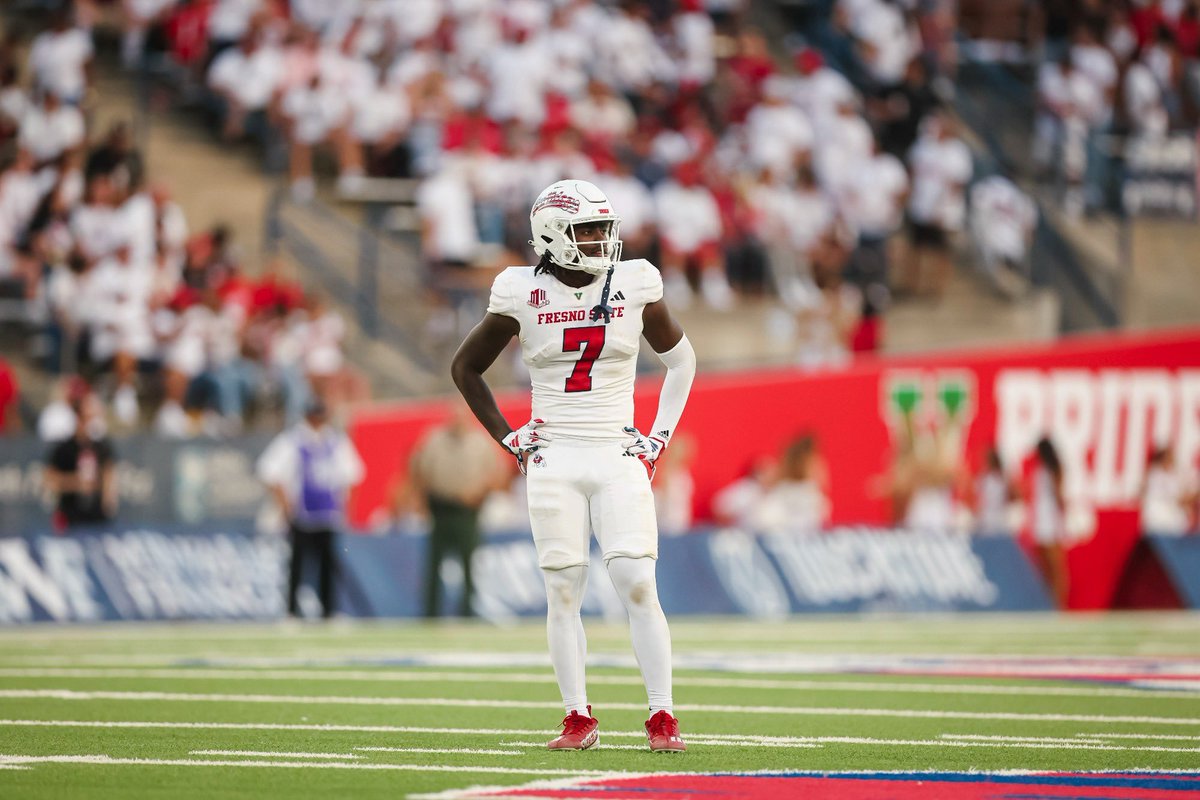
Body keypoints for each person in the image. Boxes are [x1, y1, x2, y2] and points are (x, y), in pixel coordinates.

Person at [450, 179, 697, 753]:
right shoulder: (519, 290)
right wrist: (510, 439)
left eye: (604, 229)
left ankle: (662, 716)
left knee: (637, 581)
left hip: (615, 452)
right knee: (563, 591)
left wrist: (658, 438)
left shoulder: (635, 281)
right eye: (588, 231)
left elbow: (682, 363)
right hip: (554, 456)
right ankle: (577, 716)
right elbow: (466, 368)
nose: (601, 241)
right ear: (552, 235)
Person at [257, 399, 364, 619]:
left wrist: (345, 507)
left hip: (327, 514)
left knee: (328, 565)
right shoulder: (293, 440)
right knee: (297, 565)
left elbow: (353, 475)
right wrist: (285, 504)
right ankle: (291, 612)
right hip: (302, 514)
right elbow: (269, 472)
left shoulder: (335, 441)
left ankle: (328, 611)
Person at [409, 399, 506, 617]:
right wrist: (421, 499)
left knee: (469, 564)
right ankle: (430, 613)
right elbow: (419, 469)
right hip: (440, 508)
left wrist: (480, 495)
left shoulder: (481, 442)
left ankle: (468, 613)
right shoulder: (434, 439)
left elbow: (497, 475)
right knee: (434, 565)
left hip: (468, 511)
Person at [44, 391, 117, 532]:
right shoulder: (64, 448)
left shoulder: (101, 447)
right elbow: (50, 480)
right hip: (71, 520)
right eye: (88, 418)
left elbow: (109, 473)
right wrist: (75, 482)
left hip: (97, 520)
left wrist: (108, 497)